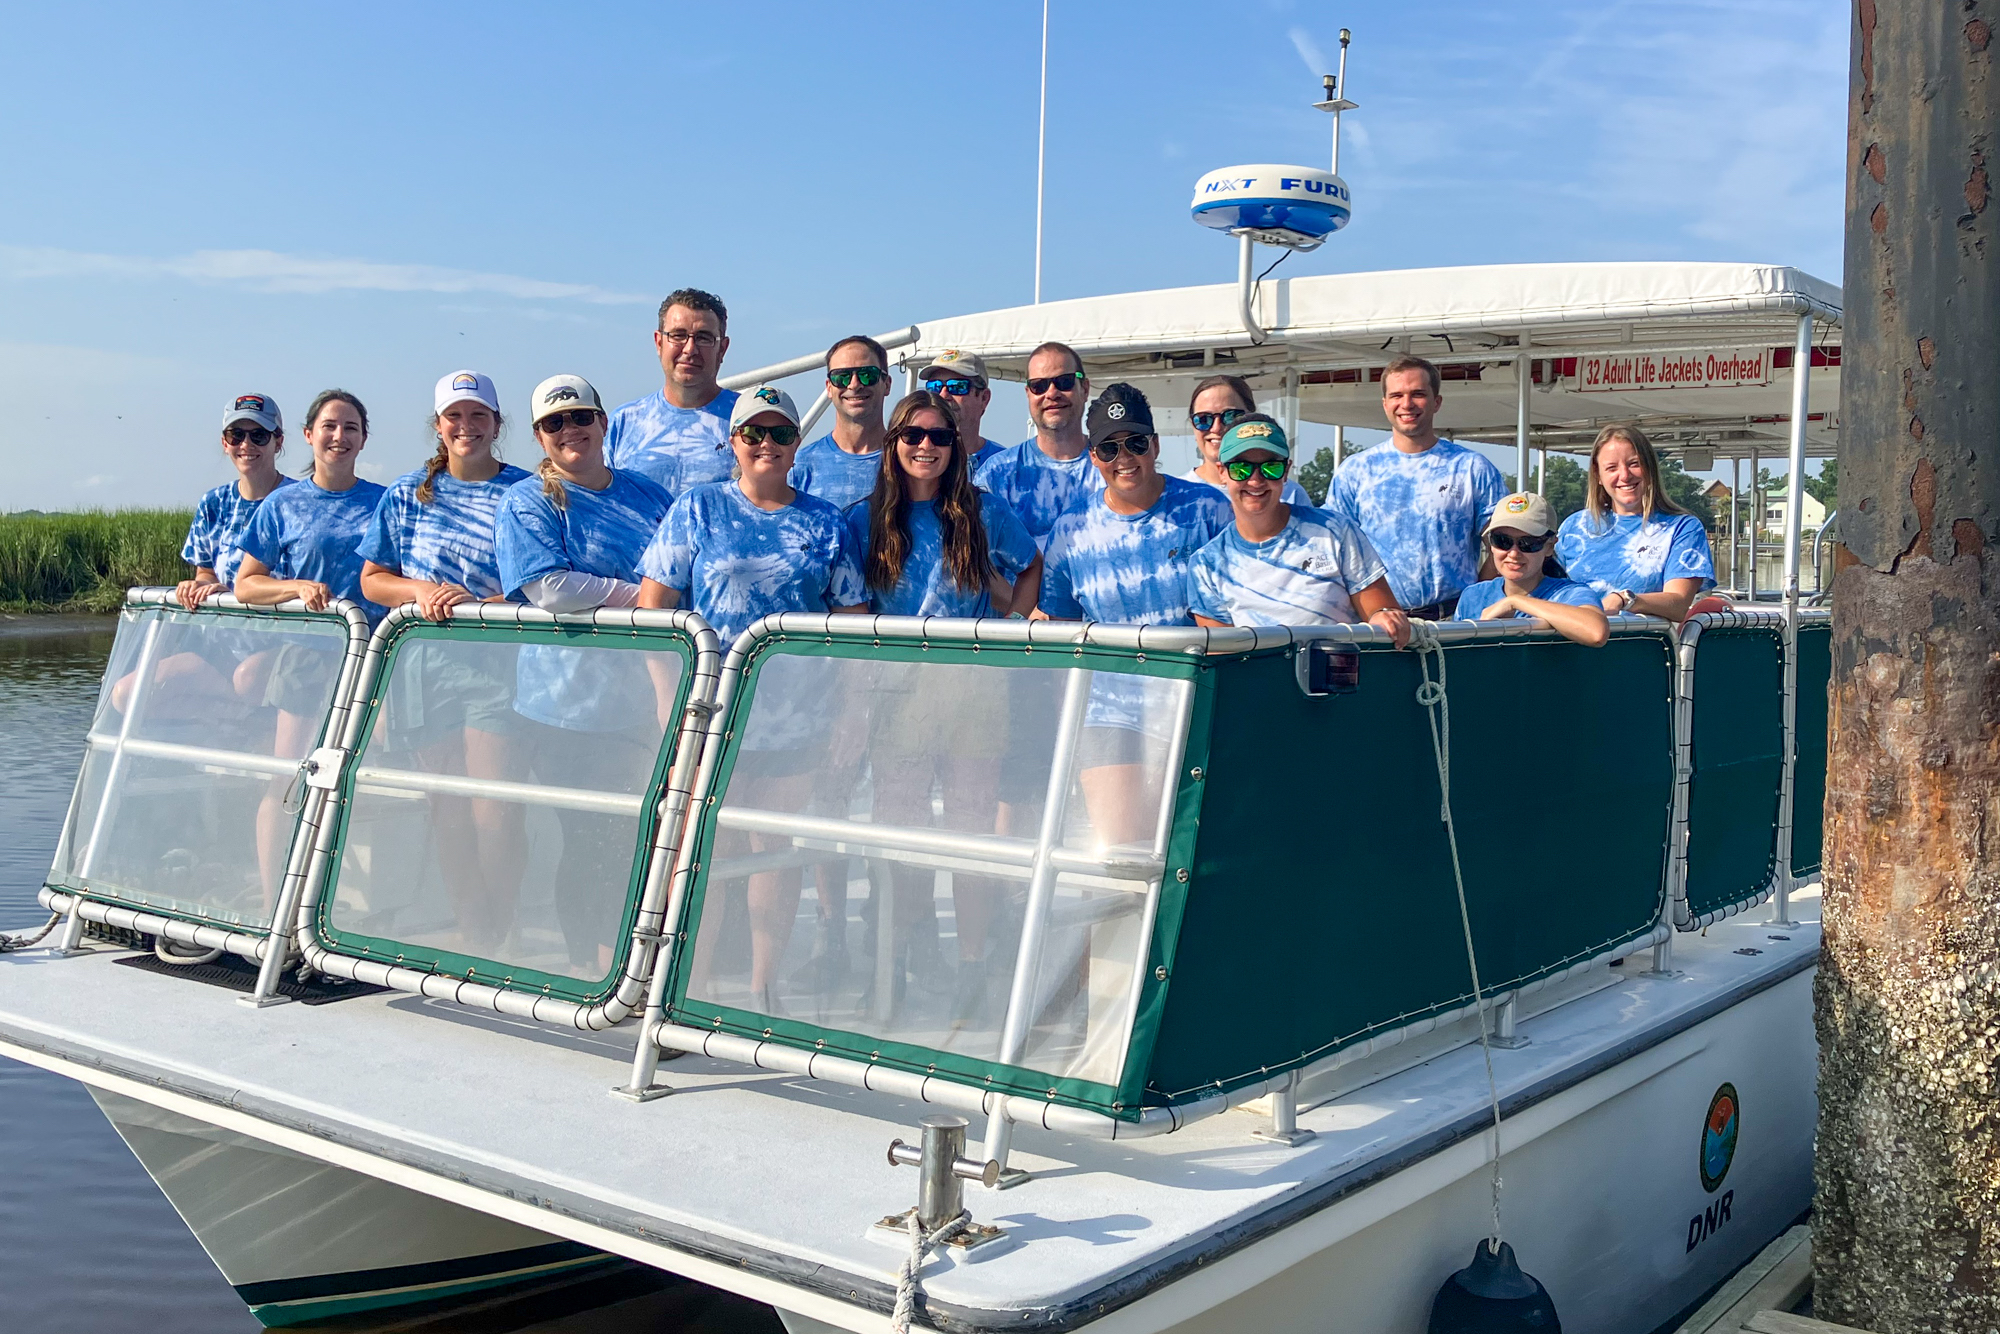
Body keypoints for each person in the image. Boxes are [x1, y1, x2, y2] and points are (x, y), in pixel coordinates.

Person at [637, 384, 867, 1012]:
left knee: (774, 856)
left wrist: (851, 714)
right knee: (698, 853)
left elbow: (854, 624)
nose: (767, 444)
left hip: (797, 723)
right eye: (754, 433)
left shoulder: (826, 522)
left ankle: (763, 992)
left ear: (797, 443)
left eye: (781, 433)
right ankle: (686, 988)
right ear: (732, 441)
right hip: (710, 718)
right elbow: (654, 608)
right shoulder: (698, 508)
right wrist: (667, 695)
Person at [846, 391, 1041, 1021]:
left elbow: (1031, 566)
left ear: (957, 447)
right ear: (893, 444)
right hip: (895, 693)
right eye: (913, 435)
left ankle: (975, 969)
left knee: (970, 833)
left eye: (940, 436)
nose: (926, 446)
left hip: (974, 689)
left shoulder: (983, 512)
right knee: (898, 833)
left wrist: (1010, 627)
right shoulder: (862, 520)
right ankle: (893, 963)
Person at [495, 374, 677, 976]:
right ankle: (591, 972)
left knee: (640, 837)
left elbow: (684, 566)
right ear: (538, 436)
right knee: (592, 838)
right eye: (554, 423)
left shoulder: (649, 494)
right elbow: (549, 588)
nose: (569, 430)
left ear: (602, 423)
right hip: (563, 708)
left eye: (580, 417)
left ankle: (628, 962)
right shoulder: (526, 500)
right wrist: (648, 600)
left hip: (650, 699)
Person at [357, 371, 532, 954]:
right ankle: (476, 937)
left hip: (501, 667)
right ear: (438, 425)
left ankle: (501, 934)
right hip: (423, 667)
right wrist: (420, 591)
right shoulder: (407, 493)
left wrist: (491, 604)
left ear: (497, 424)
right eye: (454, 416)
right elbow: (373, 581)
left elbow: (542, 581)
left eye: (478, 415)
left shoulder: (526, 492)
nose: (466, 426)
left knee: (496, 811)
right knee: (449, 813)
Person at [1036, 383, 1231, 844]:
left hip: (1195, 699)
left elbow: (1236, 610)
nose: (1124, 457)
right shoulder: (1070, 531)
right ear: (1093, 456)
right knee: (1121, 852)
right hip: (1108, 709)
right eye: (1109, 447)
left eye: (1136, 443)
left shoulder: (1210, 509)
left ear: (1155, 445)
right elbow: (1058, 628)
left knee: (1187, 851)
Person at [233, 389, 388, 909]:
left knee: (360, 780)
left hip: (376, 660)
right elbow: (246, 585)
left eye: (350, 428)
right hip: (306, 657)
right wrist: (294, 587)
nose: (339, 437)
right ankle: (273, 902)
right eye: (329, 427)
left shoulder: (387, 501)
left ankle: (335, 905)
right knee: (288, 777)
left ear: (363, 439)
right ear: (308, 435)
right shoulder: (283, 504)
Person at [1187, 415, 1408, 644]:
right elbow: (1221, 654)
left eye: (1271, 467)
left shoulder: (1336, 531)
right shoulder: (1206, 565)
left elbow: (1382, 615)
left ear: (1286, 471)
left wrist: (1385, 616)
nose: (1255, 480)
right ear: (1222, 472)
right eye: (1241, 469)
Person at [1327, 354, 1507, 619]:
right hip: (1379, 624)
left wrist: (1476, 598)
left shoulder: (1472, 468)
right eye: (1397, 395)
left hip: (1452, 621)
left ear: (1437, 402)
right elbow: (1335, 548)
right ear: (1385, 403)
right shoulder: (1355, 471)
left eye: (1418, 394)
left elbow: (1505, 544)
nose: (1407, 404)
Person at [1555, 424, 1716, 622]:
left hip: (1640, 639)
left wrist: (1624, 599)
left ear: (1650, 468)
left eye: (1634, 464)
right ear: (1598, 475)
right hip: (1573, 637)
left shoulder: (1682, 528)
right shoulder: (1573, 527)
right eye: (1612, 468)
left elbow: (1678, 604)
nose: (1624, 475)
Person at [973, 341, 1104, 549]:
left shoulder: (1112, 468)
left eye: (1064, 382)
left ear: (1085, 389)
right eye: (1039, 386)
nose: (1051, 393)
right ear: (1028, 393)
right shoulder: (996, 474)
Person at [604, 288, 736, 494]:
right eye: (678, 335)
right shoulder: (622, 423)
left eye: (703, 338)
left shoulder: (750, 422)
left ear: (722, 349)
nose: (690, 349)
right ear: (659, 343)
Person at [178, 393, 295, 610]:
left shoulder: (300, 501)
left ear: (278, 442)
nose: (246, 444)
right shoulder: (212, 504)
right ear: (225, 443)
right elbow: (206, 572)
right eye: (236, 436)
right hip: (231, 629)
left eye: (259, 436)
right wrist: (202, 585)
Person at [1454, 493, 1609, 647]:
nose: (1513, 553)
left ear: (1550, 547)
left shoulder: (1571, 593)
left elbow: (1596, 633)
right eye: (1502, 541)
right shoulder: (1473, 595)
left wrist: (1515, 602)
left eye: (1528, 543)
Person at [787, 335, 891, 509]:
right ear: (829, 387)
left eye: (867, 375)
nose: (854, 385)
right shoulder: (800, 466)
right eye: (842, 377)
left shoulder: (908, 461)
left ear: (887, 384)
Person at [1180, 375, 1311, 507]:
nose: (1216, 428)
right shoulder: (1176, 496)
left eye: (1231, 416)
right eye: (1203, 419)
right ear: (1192, 424)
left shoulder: (1290, 494)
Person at [919, 350, 1004, 470]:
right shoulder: (916, 461)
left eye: (957, 386)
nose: (943, 395)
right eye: (934, 387)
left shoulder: (1006, 464)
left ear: (984, 398)